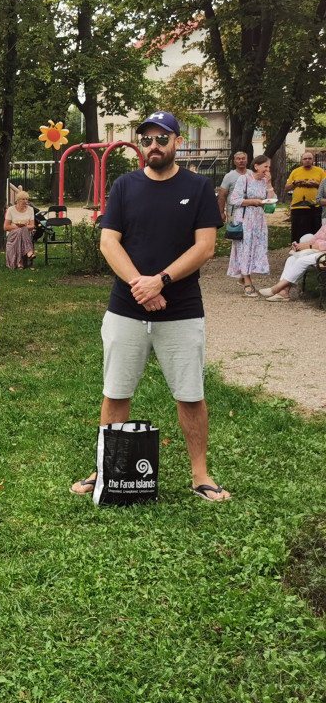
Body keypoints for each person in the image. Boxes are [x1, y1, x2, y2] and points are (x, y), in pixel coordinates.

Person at [68, 110, 229, 502]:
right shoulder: (125, 186)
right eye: (147, 140)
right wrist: (141, 286)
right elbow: (110, 242)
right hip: (126, 308)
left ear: (178, 142)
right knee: (116, 391)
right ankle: (105, 469)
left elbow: (205, 246)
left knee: (190, 394)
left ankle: (200, 476)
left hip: (182, 309)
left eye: (162, 139)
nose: (153, 146)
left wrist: (162, 281)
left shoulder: (199, 187)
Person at [226, 155, 273, 297]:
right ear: (256, 166)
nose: (267, 169)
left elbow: (271, 201)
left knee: (256, 247)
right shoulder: (244, 179)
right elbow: (234, 199)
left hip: (259, 220)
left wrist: (269, 183)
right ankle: (247, 282)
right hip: (245, 218)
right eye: (265, 166)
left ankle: (244, 275)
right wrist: (254, 201)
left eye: (269, 167)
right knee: (245, 248)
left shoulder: (265, 181)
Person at [258, 224, 326, 301]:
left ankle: (277, 288)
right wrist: (300, 245)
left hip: (322, 253)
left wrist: (310, 247)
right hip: (317, 250)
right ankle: (284, 292)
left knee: (302, 261)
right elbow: (315, 238)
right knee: (291, 259)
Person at [285, 151, 326, 243]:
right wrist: (295, 183)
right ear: (301, 161)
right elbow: (287, 188)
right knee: (298, 232)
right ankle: (296, 249)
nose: (307, 160)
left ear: (313, 160)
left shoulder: (320, 171)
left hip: (315, 207)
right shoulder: (295, 171)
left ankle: (313, 251)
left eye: (309, 158)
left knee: (315, 232)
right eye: (305, 159)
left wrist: (316, 184)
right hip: (298, 206)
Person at [216, 151, 251, 222]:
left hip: (250, 211)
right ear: (234, 162)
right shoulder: (229, 176)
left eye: (243, 158)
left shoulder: (252, 174)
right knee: (235, 233)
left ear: (247, 161)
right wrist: (221, 212)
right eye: (238, 159)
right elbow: (222, 195)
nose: (241, 161)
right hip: (234, 212)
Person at [4, 193, 36, 269]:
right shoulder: (11, 210)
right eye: (23, 199)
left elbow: (32, 226)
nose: (26, 201)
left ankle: (20, 262)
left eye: (27, 199)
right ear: (18, 200)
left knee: (23, 229)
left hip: (26, 234)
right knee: (21, 229)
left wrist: (23, 226)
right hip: (12, 234)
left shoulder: (30, 209)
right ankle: (29, 252)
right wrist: (18, 226)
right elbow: (6, 227)